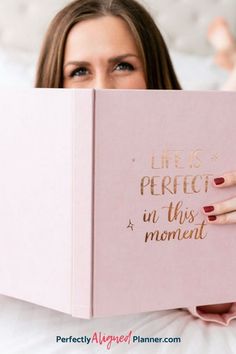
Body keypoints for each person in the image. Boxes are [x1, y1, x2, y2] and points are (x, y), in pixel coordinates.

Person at [35, 0, 236, 325]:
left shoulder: (195, 155)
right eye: (80, 71)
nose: (102, 88)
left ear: (151, 73)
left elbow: (215, 302)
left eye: (123, 66)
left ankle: (228, 55)